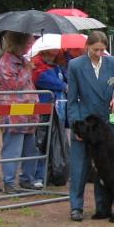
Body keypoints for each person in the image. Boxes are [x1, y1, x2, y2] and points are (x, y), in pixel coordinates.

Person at [67, 31, 114, 221]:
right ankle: (76, 207)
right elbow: (72, 100)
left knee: (107, 167)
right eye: (95, 49)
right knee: (79, 167)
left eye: (103, 49)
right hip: (85, 124)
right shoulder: (75, 65)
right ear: (87, 47)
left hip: (107, 125)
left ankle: (103, 207)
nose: (99, 53)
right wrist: (76, 125)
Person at [0, 31, 42, 193]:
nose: (31, 46)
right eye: (29, 43)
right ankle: (9, 183)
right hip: (14, 114)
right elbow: (13, 85)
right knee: (13, 150)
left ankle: (27, 179)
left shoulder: (24, 61)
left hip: (29, 113)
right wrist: (27, 70)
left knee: (31, 148)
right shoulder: (5, 63)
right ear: (18, 43)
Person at [31, 46, 69, 186]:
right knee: (41, 143)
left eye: (56, 51)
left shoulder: (58, 65)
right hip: (44, 112)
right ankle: (38, 176)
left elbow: (65, 80)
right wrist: (63, 85)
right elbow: (42, 79)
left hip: (59, 110)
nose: (54, 54)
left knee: (57, 144)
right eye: (51, 51)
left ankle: (53, 174)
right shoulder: (37, 64)